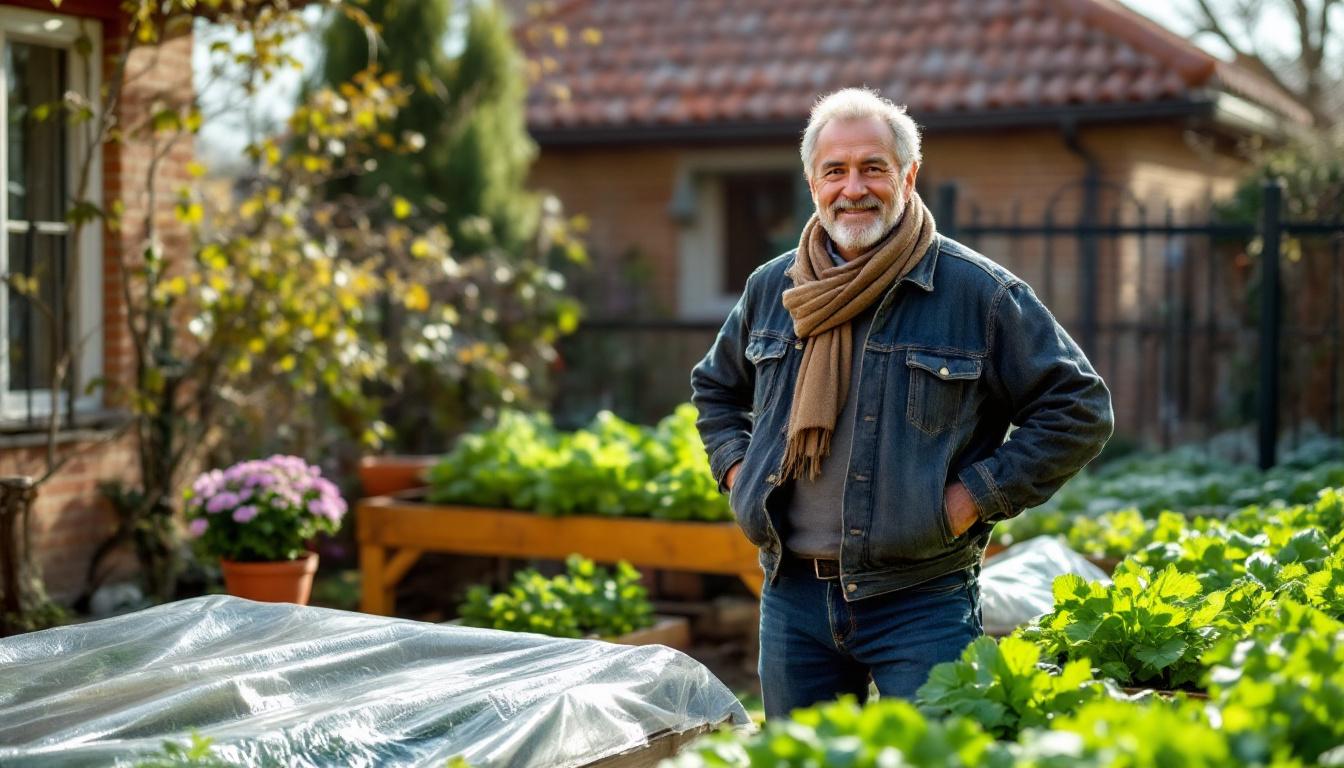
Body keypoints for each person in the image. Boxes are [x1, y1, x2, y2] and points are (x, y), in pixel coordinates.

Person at [689, 87, 1114, 719]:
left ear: (908, 176)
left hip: (923, 599)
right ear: (813, 182)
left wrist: (971, 500)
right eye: (835, 170)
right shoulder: (773, 287)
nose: (852, 187)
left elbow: (1079, 407)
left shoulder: (979, 294)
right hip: (791, 599)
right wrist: (738, 471)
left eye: (873, 168)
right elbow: (716, 389)